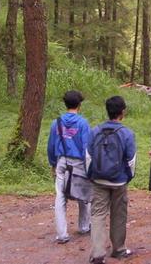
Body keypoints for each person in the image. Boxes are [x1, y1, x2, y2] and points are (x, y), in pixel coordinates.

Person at [86, 96, 136, 264]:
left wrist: (91, 175)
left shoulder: (95, 131)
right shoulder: (127, 133)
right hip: (119, 180)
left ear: (107, 111)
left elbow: (88, 156)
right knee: (119, 214)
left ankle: (98, 254)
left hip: (98, 180)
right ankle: (119, 249)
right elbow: (131, 160)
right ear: (123, 112)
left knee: (98, 214)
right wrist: (128, 177)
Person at [47, 90, 92, 243]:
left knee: (60, 196)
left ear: (65, 104)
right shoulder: (83, 123)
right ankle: (84, 226)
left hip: (61, 163)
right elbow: (87, 147)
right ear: (79, 105)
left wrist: (53, 163)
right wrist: (89, 167)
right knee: (83, 195)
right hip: (79, 163)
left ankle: (61, 234)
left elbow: (51, 145)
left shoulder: (56, 122)